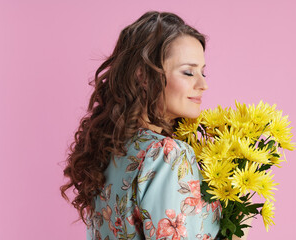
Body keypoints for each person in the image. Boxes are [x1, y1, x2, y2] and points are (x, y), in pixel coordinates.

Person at [60, 11, 250, 240]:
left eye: (203, 71)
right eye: (188, 72)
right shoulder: (168, 154)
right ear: (143, 75)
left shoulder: (109, 149)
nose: (203, 84)